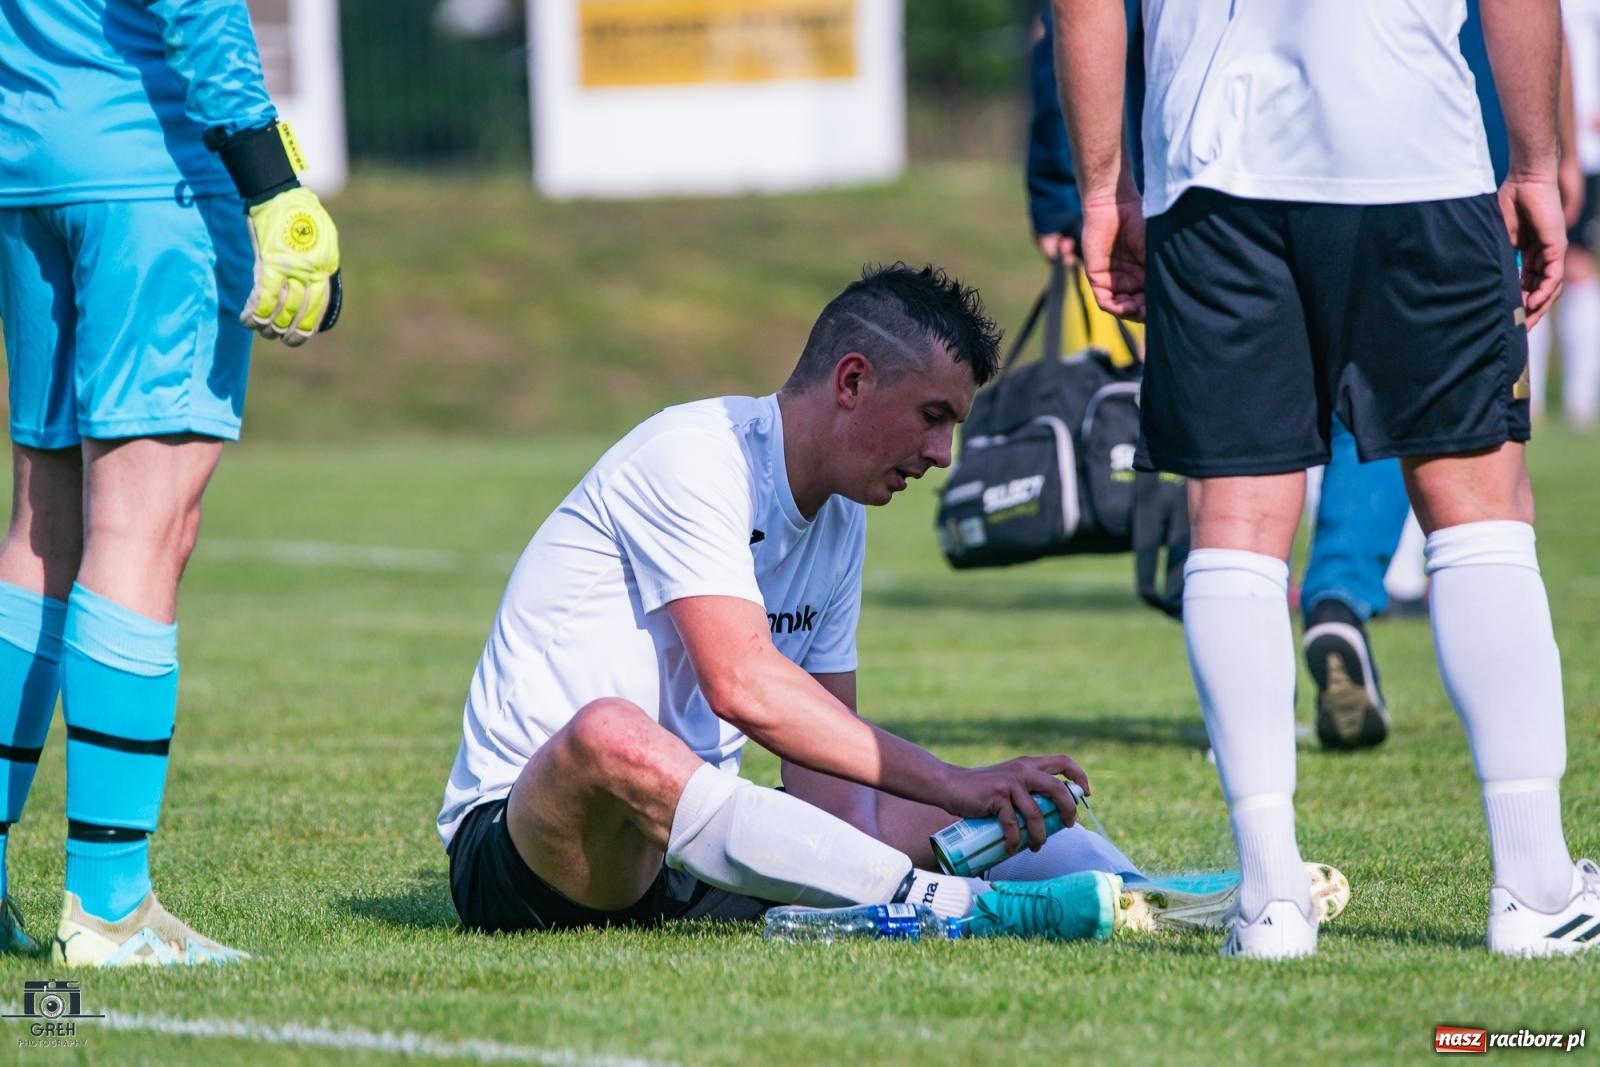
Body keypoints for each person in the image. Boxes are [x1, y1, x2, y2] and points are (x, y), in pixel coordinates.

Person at [437, 263, 1347, 940]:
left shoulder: (839, 521)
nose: (945, 454)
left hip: (675, 843)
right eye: (934, 416)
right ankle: (966, 911)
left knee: (1010, 813)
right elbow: (742, 687)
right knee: (611, 731)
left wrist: (978, 803)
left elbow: (833, 781)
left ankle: (1154, 896)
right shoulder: (693, 456)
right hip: (530, 844)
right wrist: (952, 780)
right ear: (853, 381)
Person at [1054, 0, 1595, 957]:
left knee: (1237, 515)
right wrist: (1535, 162)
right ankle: (1536, 889)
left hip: (1210, 164)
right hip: (1413, 143)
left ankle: (1270, 902)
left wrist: (1102, 189)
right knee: (1477, 508)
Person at [0, 1, 341, 966]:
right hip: (152, 177)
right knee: (143, 525)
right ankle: (109, 911)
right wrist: (272, 186)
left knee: (41, 530)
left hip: (26, 164)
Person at [1029, 3, 1410, 751]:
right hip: (1391, 152)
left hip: (1208, 169)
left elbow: (1081, 16)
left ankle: (1258, 805)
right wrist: (1525, 158)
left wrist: (1070, 188)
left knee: (1236, 486)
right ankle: (1339, 594)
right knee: (1376, 410)